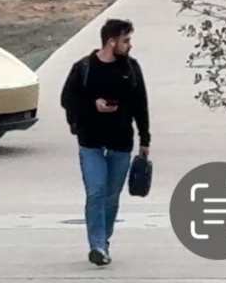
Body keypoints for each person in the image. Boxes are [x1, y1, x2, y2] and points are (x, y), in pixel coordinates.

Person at [60, 18, 151, 266]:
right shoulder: (84, 67)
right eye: (125, 40)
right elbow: (67, 99)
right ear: (112, 42)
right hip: (91, 143)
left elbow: (140, 104)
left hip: (121, 143)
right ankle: (97, 245)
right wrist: (93, 105)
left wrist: (145, 138)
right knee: (96, 191)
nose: (129, 45)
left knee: (111, 197)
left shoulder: (131, 69)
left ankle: (105, 242)